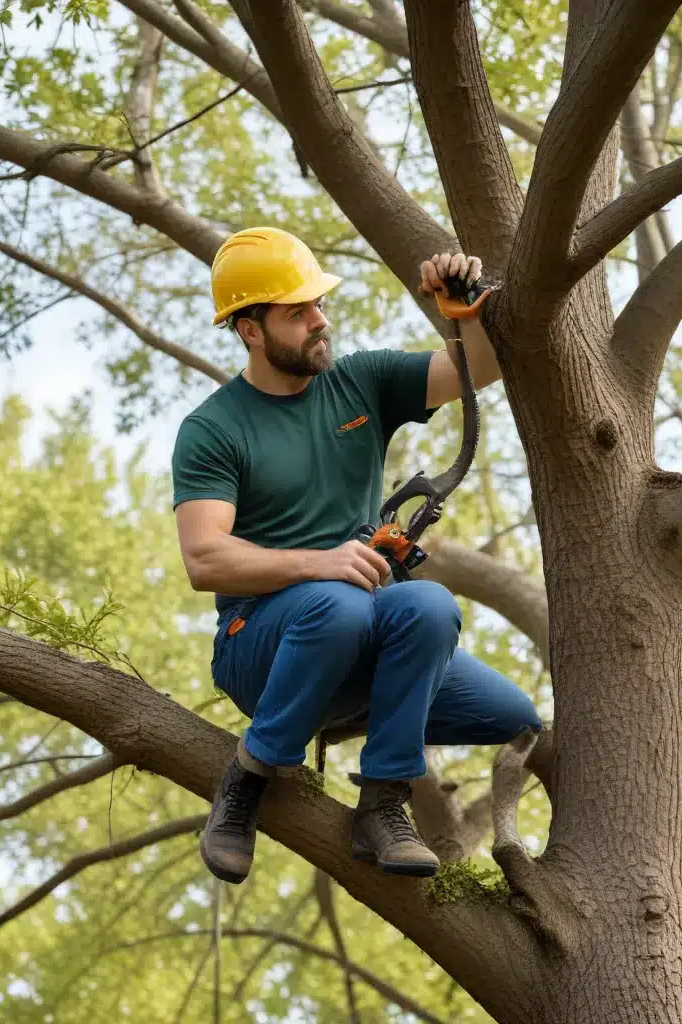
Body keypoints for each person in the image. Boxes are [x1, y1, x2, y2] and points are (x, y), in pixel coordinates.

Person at [171, 226, 541, 885]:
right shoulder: (214, 429)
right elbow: (205, 560)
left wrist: (467, 309)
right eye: (297, 312)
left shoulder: (361, 383)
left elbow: (477, 368)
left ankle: (382, 802)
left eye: (319, 304)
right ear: (249, 330)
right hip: (259, 644)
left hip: (355, 630)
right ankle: (250, 776)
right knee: (339, 602)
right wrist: (319, 562)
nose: (319, 321)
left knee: (489, 686)